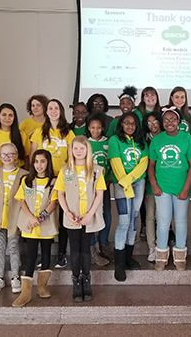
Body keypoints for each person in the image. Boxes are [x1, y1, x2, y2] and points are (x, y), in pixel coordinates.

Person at [148, 106, 191, 271]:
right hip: (162, 188)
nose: (169, 122)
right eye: (166, 120)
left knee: (181, 222)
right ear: (162, 123)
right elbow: (151, 166)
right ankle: (161, 256)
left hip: (181, 189)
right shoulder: (157, 140)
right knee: (162, 222)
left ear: (178, 121)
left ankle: (179, 257)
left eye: (172, 119)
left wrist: (186, 188)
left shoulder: (187, 139)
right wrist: (154, 185)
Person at [56, 136, 107, 302]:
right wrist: (67, 212)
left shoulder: (97, 169)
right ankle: (76, 280)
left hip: (88, 217)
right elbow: (60, 194)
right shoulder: (65, 170)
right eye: (75, 148)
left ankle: (86, 280)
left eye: (82, 148)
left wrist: (90, 214)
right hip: (72, 217)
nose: (78, 151)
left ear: (88, 150)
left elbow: (99, 194)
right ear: (71, 150)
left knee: (85, 250)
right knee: (75, 251)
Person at [30, 99, 75, 268]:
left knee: (64, 217)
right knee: (44, 216)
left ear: (61, 111)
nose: (54, 111)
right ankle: (43, 255)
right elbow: (33, 155)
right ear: (46, 112)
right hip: (43, 180)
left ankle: (62, 254)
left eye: (57, 108)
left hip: (62, 180)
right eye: (50, 108)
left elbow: (72, 157)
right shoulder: (39, 131)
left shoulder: (68, 133)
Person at [12, 149, 59, 307]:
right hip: (29, 224)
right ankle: (25, 293)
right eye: (36, 161)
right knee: (31, 256)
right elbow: (21, 200)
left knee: (46, 254)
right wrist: (32, 218)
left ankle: (42, 286)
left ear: (48, 162)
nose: (39, 165)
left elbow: (53, 203)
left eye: (43, 161)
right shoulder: (26, 180)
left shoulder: (54, 181)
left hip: (46, 225)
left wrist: (40, 218)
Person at [108, 112, 148, 281]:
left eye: (133, 123)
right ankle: (118, 264)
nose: (130, 126)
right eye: (126, 123)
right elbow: (116, 163)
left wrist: (131, 180)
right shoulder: (114, 141)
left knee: (134, 219)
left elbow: (143, 163)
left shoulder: (141, 142)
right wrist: (126, 182)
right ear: (121, 124)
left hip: (138, 183)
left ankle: (128, 257)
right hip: (121, 184)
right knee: (124, 221)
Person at [0, 142, 28, 294]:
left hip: (15, 218)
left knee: (13, 247)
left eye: (10, 154)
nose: (7, 157)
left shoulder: (23, 175)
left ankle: (15, 277)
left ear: (16, 156)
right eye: (3, 154)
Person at [85, 113, 111, 266]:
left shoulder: (108, 142)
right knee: (91, 216)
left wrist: (108, 180)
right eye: (93, 127)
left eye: (98, 128)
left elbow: (112, 163)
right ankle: (92, 248)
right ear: (88, 128)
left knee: (106, 214)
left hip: (104, 185)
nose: (96, 130)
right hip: (88, 188)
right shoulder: (84, 143)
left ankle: (104, 243)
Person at [0, 103, 30, 170]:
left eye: (10, 115)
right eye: (4, 115)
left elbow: (26, 158)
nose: (7, 118)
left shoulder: (22, 135)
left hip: (17, 174)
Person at [142, 111, 162, 262]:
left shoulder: (167, 137)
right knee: (149, 216)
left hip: (166, 182)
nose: (152, 125)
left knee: (162, 217)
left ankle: (162, 246)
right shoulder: (144, 140)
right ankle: (152, 247)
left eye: (155, 121)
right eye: (149, 123)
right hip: (149, 182)